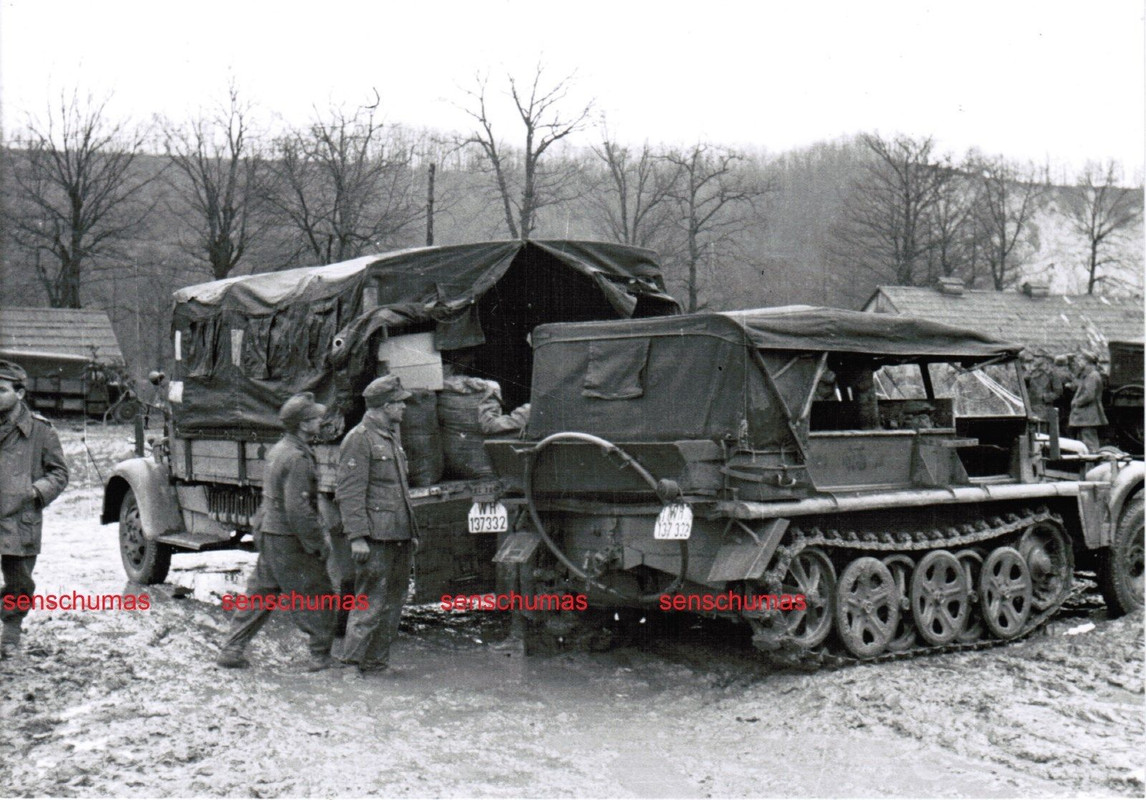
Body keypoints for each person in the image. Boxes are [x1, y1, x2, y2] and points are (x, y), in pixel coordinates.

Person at [216, 392, 336, 670]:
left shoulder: (280, 449)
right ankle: (321, 656)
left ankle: (232, 649)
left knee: (260, 594)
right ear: (304, 425)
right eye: (316, 418)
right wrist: (317, 542)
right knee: (318, 593)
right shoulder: (297, 458)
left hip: (270, 532)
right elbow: (298, 509)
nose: (321, 422)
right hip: (289, 539)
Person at [336, 374, 418, 675]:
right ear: (384, 406)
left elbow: (399, 491)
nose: (404, 409)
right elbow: (349, 492)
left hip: (398, 534)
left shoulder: (391, 438)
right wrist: (357, 537)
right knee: (369, 603)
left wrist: (412, 532)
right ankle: (351, 665)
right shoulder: (359, 439)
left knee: (393, 604)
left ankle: (377, 663)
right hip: (376, 538)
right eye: (400, 403)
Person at [0, 360, 69, 659]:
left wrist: (34, 492)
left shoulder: (41, 431)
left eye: (0, 389)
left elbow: (59, 473)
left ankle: (11, 633)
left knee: (19, 581)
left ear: (19, 393)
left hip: (20, 516)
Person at [1069, 350, 1109, 452]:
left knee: (1089, 444)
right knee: (1085, 443)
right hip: (1086, 416)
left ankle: (1092, 465)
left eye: (1081, 360)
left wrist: (1076, 402)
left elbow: (1089, 395)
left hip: (1088, 416)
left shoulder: (1092, 376)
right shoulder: (1090, 375)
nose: (1079, 362)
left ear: (1087, 362)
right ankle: (1088, 466)